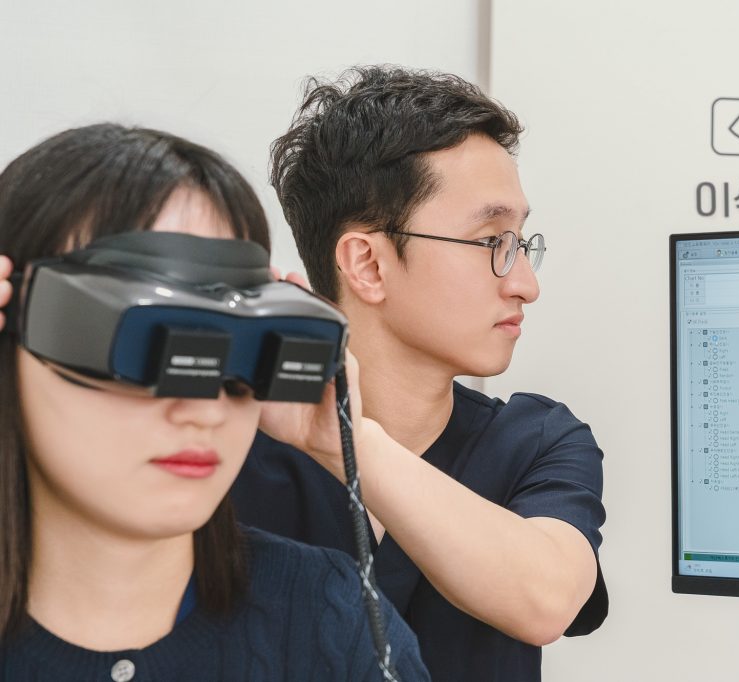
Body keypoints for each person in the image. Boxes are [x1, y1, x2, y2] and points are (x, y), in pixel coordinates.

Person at [0, 124, 428, 681]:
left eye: (238, 349)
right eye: (147, 344)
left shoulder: (332, 620)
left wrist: (341, 429)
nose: (204, 410)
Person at [231, 66, 608, 681]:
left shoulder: (534, 441)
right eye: (491, 241)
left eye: (521, 243)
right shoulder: (223, 442)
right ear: (368, 265)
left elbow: (546, 599)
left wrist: (347, 440)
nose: (524, 283)